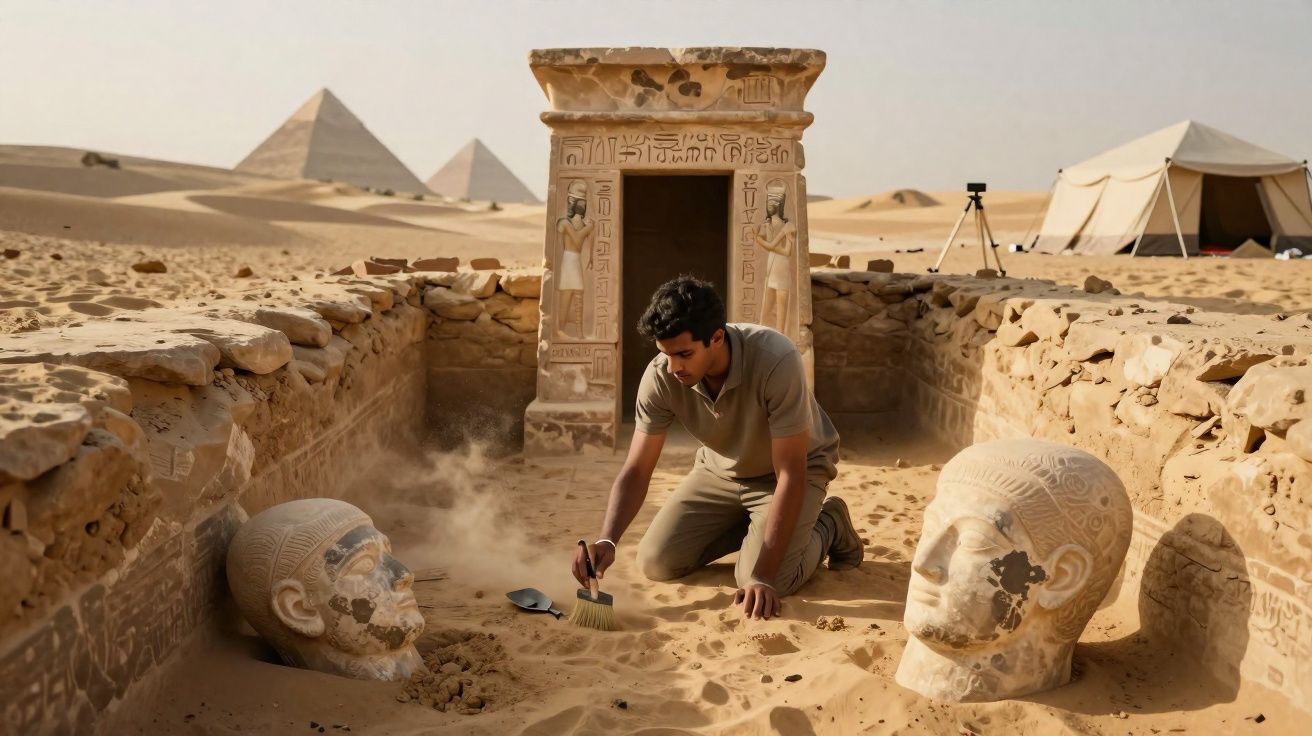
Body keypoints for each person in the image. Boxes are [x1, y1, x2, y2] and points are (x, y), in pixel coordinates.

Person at [570, 276, 863, 620]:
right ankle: (757, 527)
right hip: (719, 472)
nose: (674, 367)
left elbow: (790, 473)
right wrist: (607, 540)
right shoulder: (661, 375)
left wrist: (762, 576)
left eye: (684, 354)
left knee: (764, 580)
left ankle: (829, 522)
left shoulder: (776, 359)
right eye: (665, 353)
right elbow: (637, 468)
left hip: (790, 472)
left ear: (717, 338)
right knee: (656, 562)